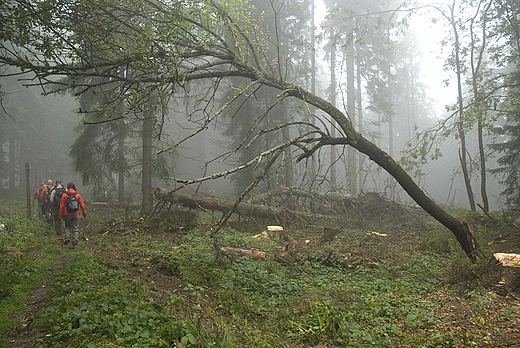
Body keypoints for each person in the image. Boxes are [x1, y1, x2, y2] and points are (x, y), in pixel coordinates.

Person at [59, 182, 87, 248]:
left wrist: (60, 216)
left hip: (67, 214)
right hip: (76, 214)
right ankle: (75, 242)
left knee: (67, 226)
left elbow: (61, 206)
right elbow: (82, 205)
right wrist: (84, 213)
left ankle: (68, 238)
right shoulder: (77, 195)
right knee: (75, 228)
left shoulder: (64, 195)